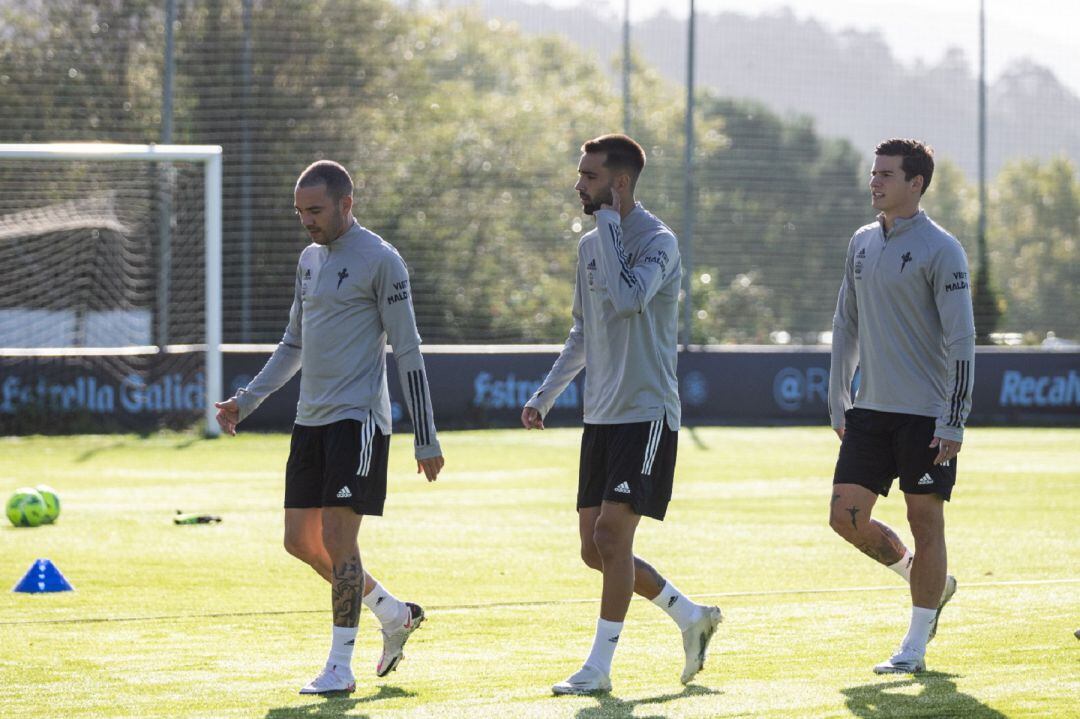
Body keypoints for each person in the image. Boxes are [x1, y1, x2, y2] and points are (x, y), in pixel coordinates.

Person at [214, 160, 444, 695]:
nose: (307, 221)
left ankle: (340, 668)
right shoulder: (309, 260)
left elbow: (408, 351)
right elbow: (293, 343)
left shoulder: (382, 260)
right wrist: (247, 401)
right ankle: (394, 614)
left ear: (346, 203)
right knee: (300, 541)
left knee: (340, 540)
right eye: (300, 212)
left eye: (315, 210)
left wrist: (425, 435)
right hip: (309, 421)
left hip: (357, 421)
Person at [522, 134, 722, 696]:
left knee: (612, 534)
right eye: (581, 174)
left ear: (620, 182)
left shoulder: (658, 241)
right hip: (602, 417)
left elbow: (630, 299)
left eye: (589, 176)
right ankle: (691, 616)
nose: (578, 184)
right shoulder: (590, 245)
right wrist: (545, 394)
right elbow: (583, 332)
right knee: (595, 549)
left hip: (647, 413)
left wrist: (609, 223)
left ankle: (599, 668)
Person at [828, 138, 974, 674]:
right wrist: (838, 398)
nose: (875, 182)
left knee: (924, 520)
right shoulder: (861, 242)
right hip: (869, 410)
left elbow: (962, 339)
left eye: (886, 174)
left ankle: (914, 645)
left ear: (916, 183)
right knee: (845, 517)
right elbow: (846, 322)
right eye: (874, 173)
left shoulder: (942, 249)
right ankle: (927, 581)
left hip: (926, 414)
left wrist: (954, 418)